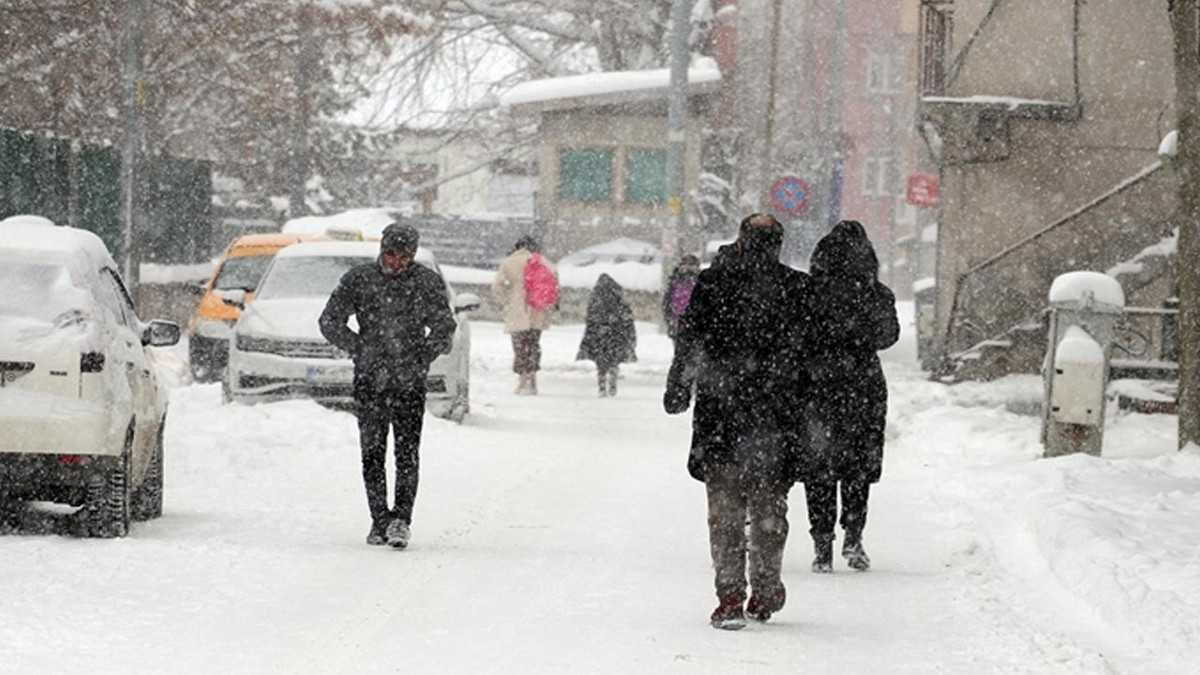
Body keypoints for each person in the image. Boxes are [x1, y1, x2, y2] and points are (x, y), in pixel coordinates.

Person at [663, 213, 810, 630]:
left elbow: (689, 339)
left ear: (740, 241)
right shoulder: (794, 288)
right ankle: (764, 588)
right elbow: (809, 358)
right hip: (773, 418)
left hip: (722, 413)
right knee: (769, 508)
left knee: (725, 511)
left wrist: (680, 387)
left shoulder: (713, 283)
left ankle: (730, 595)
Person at [319, 223, 456, 549]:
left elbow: (443, 325)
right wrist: (359, 348)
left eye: (404, 256)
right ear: (382, 250)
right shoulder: (359, 280)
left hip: (409, 381)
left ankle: (401, 520)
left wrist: (421, 356)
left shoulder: (425, 283)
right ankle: (379, 519)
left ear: (412, 255)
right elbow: (329, 321)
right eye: (391, 254)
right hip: (370, 380)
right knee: (372, 452)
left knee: (407, 453)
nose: (397, 262)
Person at [798, 220, 899, 573]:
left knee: (819, 466)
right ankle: (853, 537)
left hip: (818, 385)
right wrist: (858, 334)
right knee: (858, 464)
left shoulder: (809, 292)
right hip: (863, 385)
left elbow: (796, 335)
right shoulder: (877, 293)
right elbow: (889, 337)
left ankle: (821, 544)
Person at [492, 235, 558, 395]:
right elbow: (554, 280)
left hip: (518, 307)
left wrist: (507, 300)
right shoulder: (542, 261)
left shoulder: (509, 262)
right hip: (537, 307)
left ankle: (522, 381)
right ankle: (533, 379)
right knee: (534, 343)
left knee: (519, 345)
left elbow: (497, 286)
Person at [576, 273, 637, 397]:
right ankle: (613, 377)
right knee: (614, 360)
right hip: (615, 335)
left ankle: (602, 384)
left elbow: (590, 319)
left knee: (601, 363)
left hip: (599, 336)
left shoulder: (596, 299)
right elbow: (627, 318)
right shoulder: (619, 298)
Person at [662, 254, 700, 340]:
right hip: (679, 323)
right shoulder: (674, 281)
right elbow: (667, 303)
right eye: (686, 264)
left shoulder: (700, 281)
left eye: (691, 265)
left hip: (692, 324)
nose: (688, 268)